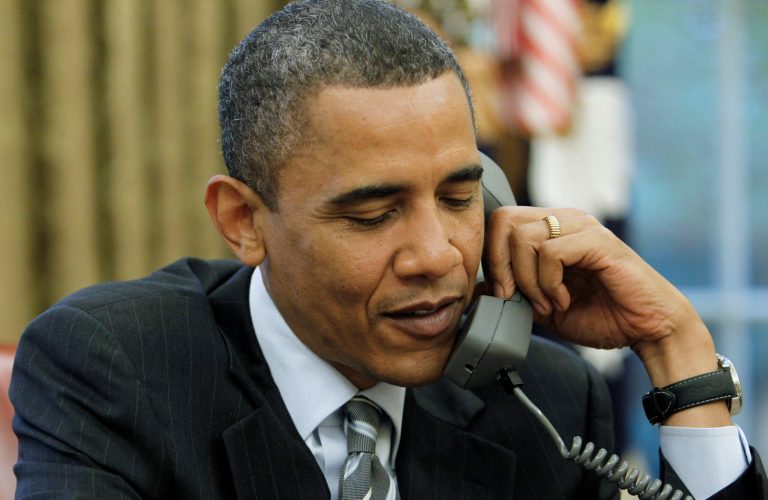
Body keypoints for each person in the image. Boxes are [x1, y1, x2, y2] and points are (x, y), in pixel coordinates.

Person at [9, 1, 766, 498]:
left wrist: (677, 350)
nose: (436, 255)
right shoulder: (114, 367)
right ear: (243, 220)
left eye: (460, 197)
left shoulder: (545, 399)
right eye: (373, 214)